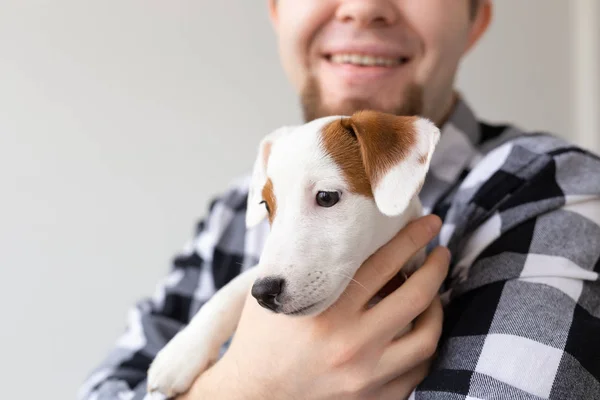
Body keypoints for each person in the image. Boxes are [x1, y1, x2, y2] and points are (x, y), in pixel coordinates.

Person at [78, 1, 600, 399]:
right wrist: (249, 386)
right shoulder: (230, 214)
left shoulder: (551, 188)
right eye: (272, 208)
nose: (362, 6)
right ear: (277, 10)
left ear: (476, 16)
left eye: (328, 196)